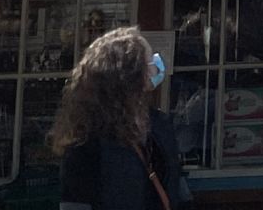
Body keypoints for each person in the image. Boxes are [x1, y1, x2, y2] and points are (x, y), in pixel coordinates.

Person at [50, 25, 193, 210]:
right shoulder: (87, 143)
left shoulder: (160, 125)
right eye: (150, 61)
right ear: (131, 75)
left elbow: (179, 190)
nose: (156, 66)